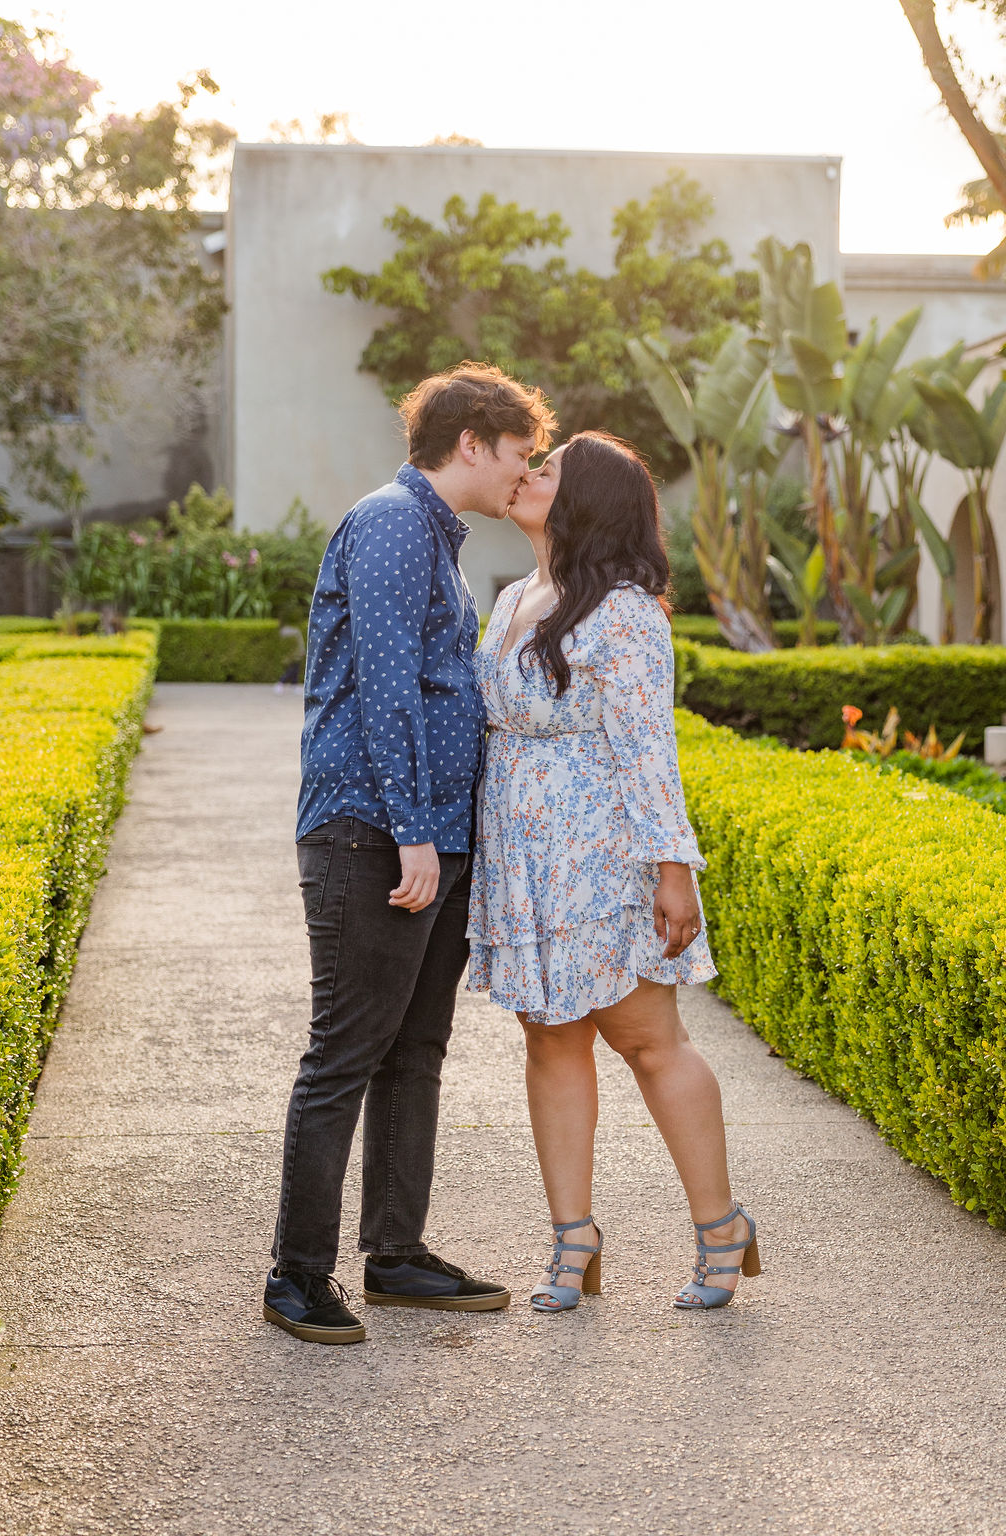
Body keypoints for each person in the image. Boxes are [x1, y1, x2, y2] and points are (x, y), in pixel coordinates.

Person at [264, 362, 557, 1345]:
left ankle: (395, 1253)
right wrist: (415, 837)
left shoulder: (436, 539)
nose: (526, 471)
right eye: (519, 453)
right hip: (374, 836)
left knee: (415, 1053)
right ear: (470, 442)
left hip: (423, 836)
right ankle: (297, 1277)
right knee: (345, 1053)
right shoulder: (392, 524)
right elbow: (388, 692)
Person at [466, 431, 761, 1313]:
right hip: (522, 861)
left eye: (546, 468)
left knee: (646, 1042)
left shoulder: (625, 611)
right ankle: (573, 1241)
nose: (527, 474)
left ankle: (720, 1228)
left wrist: (675, 869)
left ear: (585, 500)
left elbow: (649, 750)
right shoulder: (518, 592)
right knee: (549, 1040)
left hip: (602, 856)